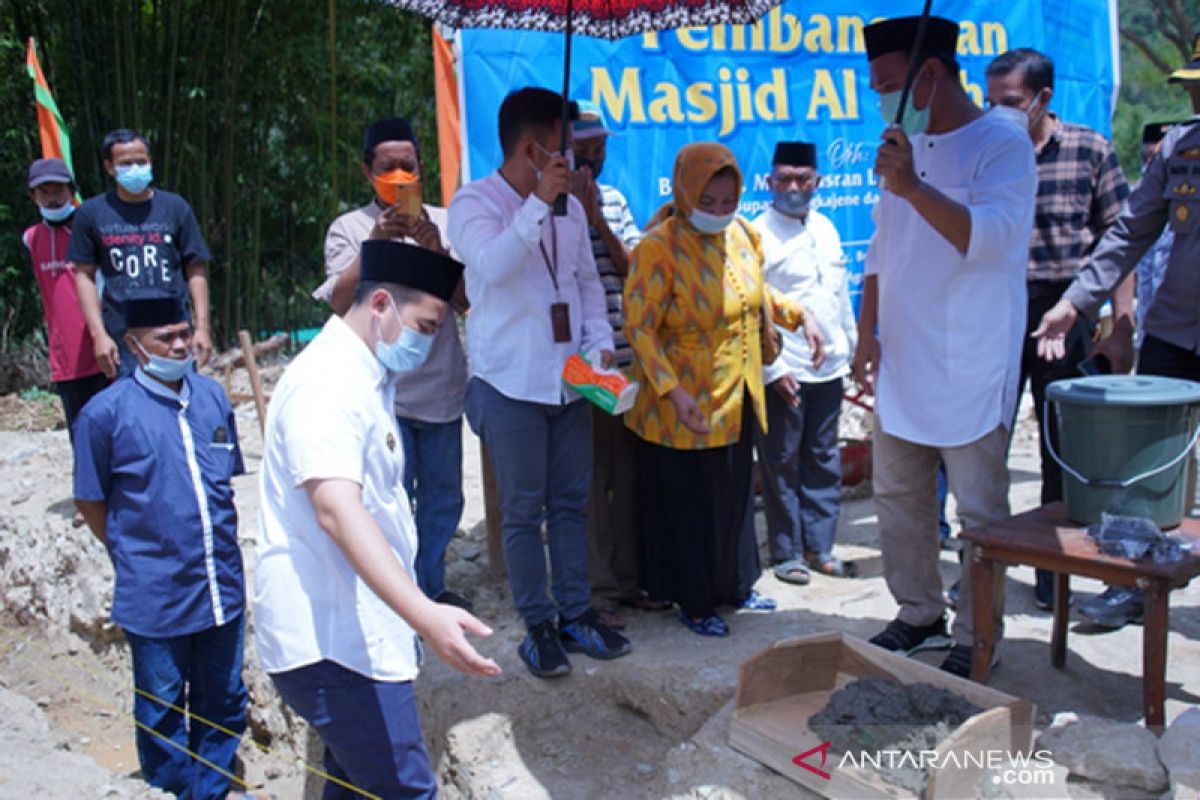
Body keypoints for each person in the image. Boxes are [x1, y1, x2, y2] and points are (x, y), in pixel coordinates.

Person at [255, 240, 499, 798]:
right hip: (335, 641)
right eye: (428, 325)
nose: (432, 341)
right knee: (406, 789)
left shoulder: (368, 375)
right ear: (382, 303)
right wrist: (426, 615)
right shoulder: (328, 384)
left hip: (360, 627)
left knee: (351, 786)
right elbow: (336, 510)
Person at [851, 15, 1037, 677]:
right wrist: (867, 334)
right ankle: (918, 613)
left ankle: (976, 633)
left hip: (970, 361)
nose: (881, 100)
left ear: (931, 75)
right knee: (898, 498)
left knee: (979, 514)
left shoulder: (1002, 144)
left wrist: (915, 187)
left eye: (890, 85)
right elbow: (881, 245)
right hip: (903, 359)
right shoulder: (901, 142)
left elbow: (993, 236)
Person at [448, 86, 632, 678]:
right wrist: (537, 205)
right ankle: (538, 625)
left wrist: (599, 348)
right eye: (562, 150)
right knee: (524, 510)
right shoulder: (474, 203)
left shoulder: (572, 210)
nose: (572, 161)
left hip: (571, 382)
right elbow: (493, 268)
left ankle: (577, 614)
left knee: (572, 503)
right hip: (509, 385)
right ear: (531, 151)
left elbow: (586, 288)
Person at [1032, 40, 1200, 630]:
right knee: (1146, 468)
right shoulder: (1181, 146)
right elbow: (1129, 232)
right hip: (1176, 333)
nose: (1193, 96)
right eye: (1190, 86)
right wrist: (1076, 303)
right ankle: (1133, 581)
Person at [623, 141, 822, 637]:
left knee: (732, 495)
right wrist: (671, 391)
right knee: (690, 505)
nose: (718, 213)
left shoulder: (743, 235)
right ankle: (693, 601)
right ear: (684, 192)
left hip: (737, 394)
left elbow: (755, 295)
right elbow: (640, 328)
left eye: (727, 203)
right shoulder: (658, 249)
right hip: (681, 403)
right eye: (706, 203)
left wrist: (801, 317)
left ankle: (735, 585)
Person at [72, 295, 249, 800]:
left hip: (221, 586)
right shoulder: (104, 416)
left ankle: (213, 787)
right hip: (156, 592)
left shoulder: (212, 398)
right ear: (133, 345)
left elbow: (224, 482)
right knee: (162, 704)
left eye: (183, 332)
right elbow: (90, 500)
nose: (179, 344)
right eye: (164, 338)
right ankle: (172, 790)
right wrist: (133, 551)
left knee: (224, 697)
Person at [984, 48, 1131, 611]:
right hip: (996, 309)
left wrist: (1121, 327)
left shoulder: (1088, 150)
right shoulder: (984, 152)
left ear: (1043, 99)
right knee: (983, 441)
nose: (998, 113)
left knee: (1058, 446)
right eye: (990, 102)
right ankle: (986, 559)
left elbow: (1121, 241)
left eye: (1011, 103)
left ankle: (1052, 569)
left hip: (1064, 311)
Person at [314, 117, 472, 610]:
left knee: (444, 498)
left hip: (443, 387)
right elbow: (339, 301)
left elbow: (467, 302)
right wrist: (375, 246)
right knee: (390, 497)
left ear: (421, 167)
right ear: (368, 172)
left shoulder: (446, 222)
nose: (400, 174)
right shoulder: (350, 228)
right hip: (383, 391)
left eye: (408, 165)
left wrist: (434, 249)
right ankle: (395, 592)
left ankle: (431, 584)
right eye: (388, 167)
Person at [568, 99, 657, 628]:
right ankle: (598, 589)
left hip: (624, 358)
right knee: (592, 476)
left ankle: (629, 581)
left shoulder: (617, 201)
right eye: (584, 149)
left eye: (600, 149)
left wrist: (598, 218)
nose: (593, 158)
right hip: (580, 362)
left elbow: (633, 271)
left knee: (628, 474)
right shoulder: (550, 206)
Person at [752, 140, 858, 586]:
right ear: (769, 183)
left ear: (818, 182)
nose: (793, 187)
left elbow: (838, 296)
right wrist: (772, 369)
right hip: (785, 369)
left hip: (829, 367)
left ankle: (821, 547)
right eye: (784, 180)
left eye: (802, 180)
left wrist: (849, 349)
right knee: (780, 460)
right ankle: (787, 552)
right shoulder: (756, 233)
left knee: (823, 457)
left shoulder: (828, 229)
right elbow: (753, 311)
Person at [68, 129, 212, 379]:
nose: (135, 168)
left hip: (174, 328)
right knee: (132, 408)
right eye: (125, 163)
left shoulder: (175, 208)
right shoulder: (91, 213)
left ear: (150, 162)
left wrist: (202, 327)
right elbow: (84, 276)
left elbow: (196, 269)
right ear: (109, 167)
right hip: (124, 333)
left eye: (141, 161)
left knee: (180, 402)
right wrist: (99, 335)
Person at [22, 158, 107, 438]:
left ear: (72, 191)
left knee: (115, 433)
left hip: (104, 350)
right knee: (81, 435)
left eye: (59, 190)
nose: (53, 198)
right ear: (32, 196)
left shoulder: (92, 230)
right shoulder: (31, 238)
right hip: (66, 356)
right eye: (44, 192)